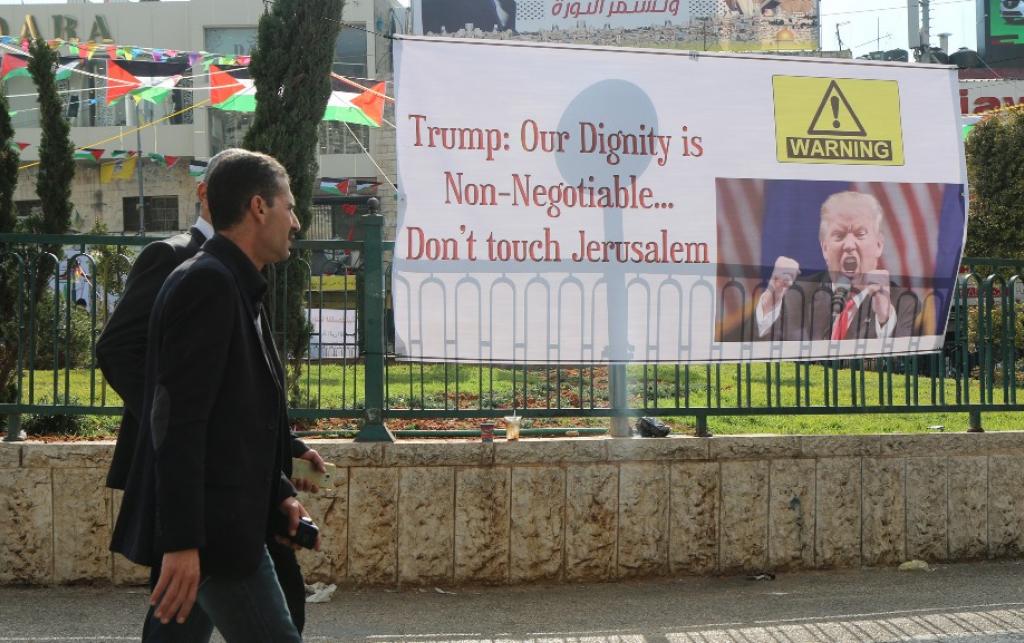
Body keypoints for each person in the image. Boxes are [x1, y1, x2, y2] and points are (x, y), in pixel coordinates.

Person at [98, 148, 323, 640]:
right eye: (290, 207)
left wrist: (281, 493)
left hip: (229, 520)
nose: (298, 222)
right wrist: (181, 544)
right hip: (216, 530)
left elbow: (244, 416)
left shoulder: (239, 282)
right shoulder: (207, 283)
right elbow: (179, 424)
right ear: (259, 208)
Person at [753, 190, 919, 342]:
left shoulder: (903, 302)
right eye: (839, 235)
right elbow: (755, 353)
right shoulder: (796, 296)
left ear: (879, 245)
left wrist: (884, 317)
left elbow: (903, 366)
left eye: (860, 234)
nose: (849, 245)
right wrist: (771, 298)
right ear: (825, 248)